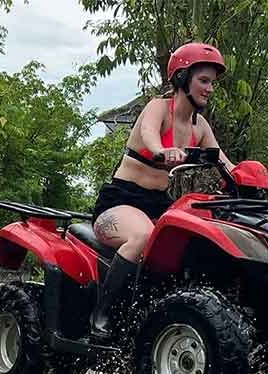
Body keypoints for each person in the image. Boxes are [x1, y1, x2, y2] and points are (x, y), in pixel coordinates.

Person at [89, 42, 236, 339]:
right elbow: (148, 134)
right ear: (183, 78)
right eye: (203, 81)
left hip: (158, 203)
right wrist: (162, 150)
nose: (210, 89)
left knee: (192, 246)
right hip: (122, 199)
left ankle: (162, 319)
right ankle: (102, 314)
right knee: (143, 236)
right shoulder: (158, 108)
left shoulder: (200, 126)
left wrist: (254, 177)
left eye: (212, 83)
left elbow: (224, 162)